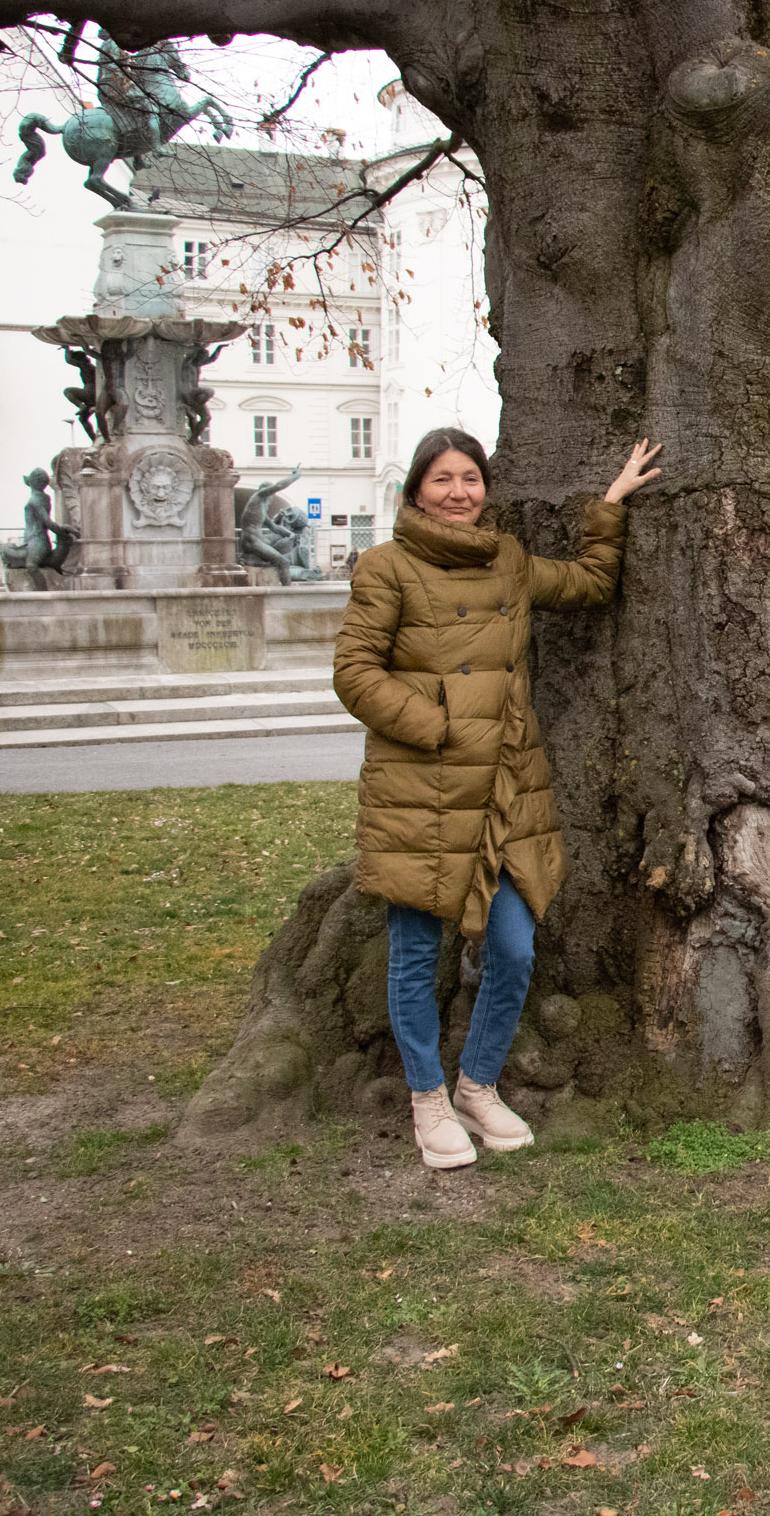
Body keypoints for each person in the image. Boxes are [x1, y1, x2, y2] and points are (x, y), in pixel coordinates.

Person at [334, 427, 662, 1170]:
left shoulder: (508, 560)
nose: (459, 492)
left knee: (513, 948)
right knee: (416, 951)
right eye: (443, 479)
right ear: (416, 489)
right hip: (423, 788)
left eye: (471, 479)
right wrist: (439, 725)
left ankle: (477, 1083)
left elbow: (586, 583)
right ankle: (426, 1097)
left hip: (507, 789)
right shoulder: (386, 567)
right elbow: (355, 671)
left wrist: (609, 503)